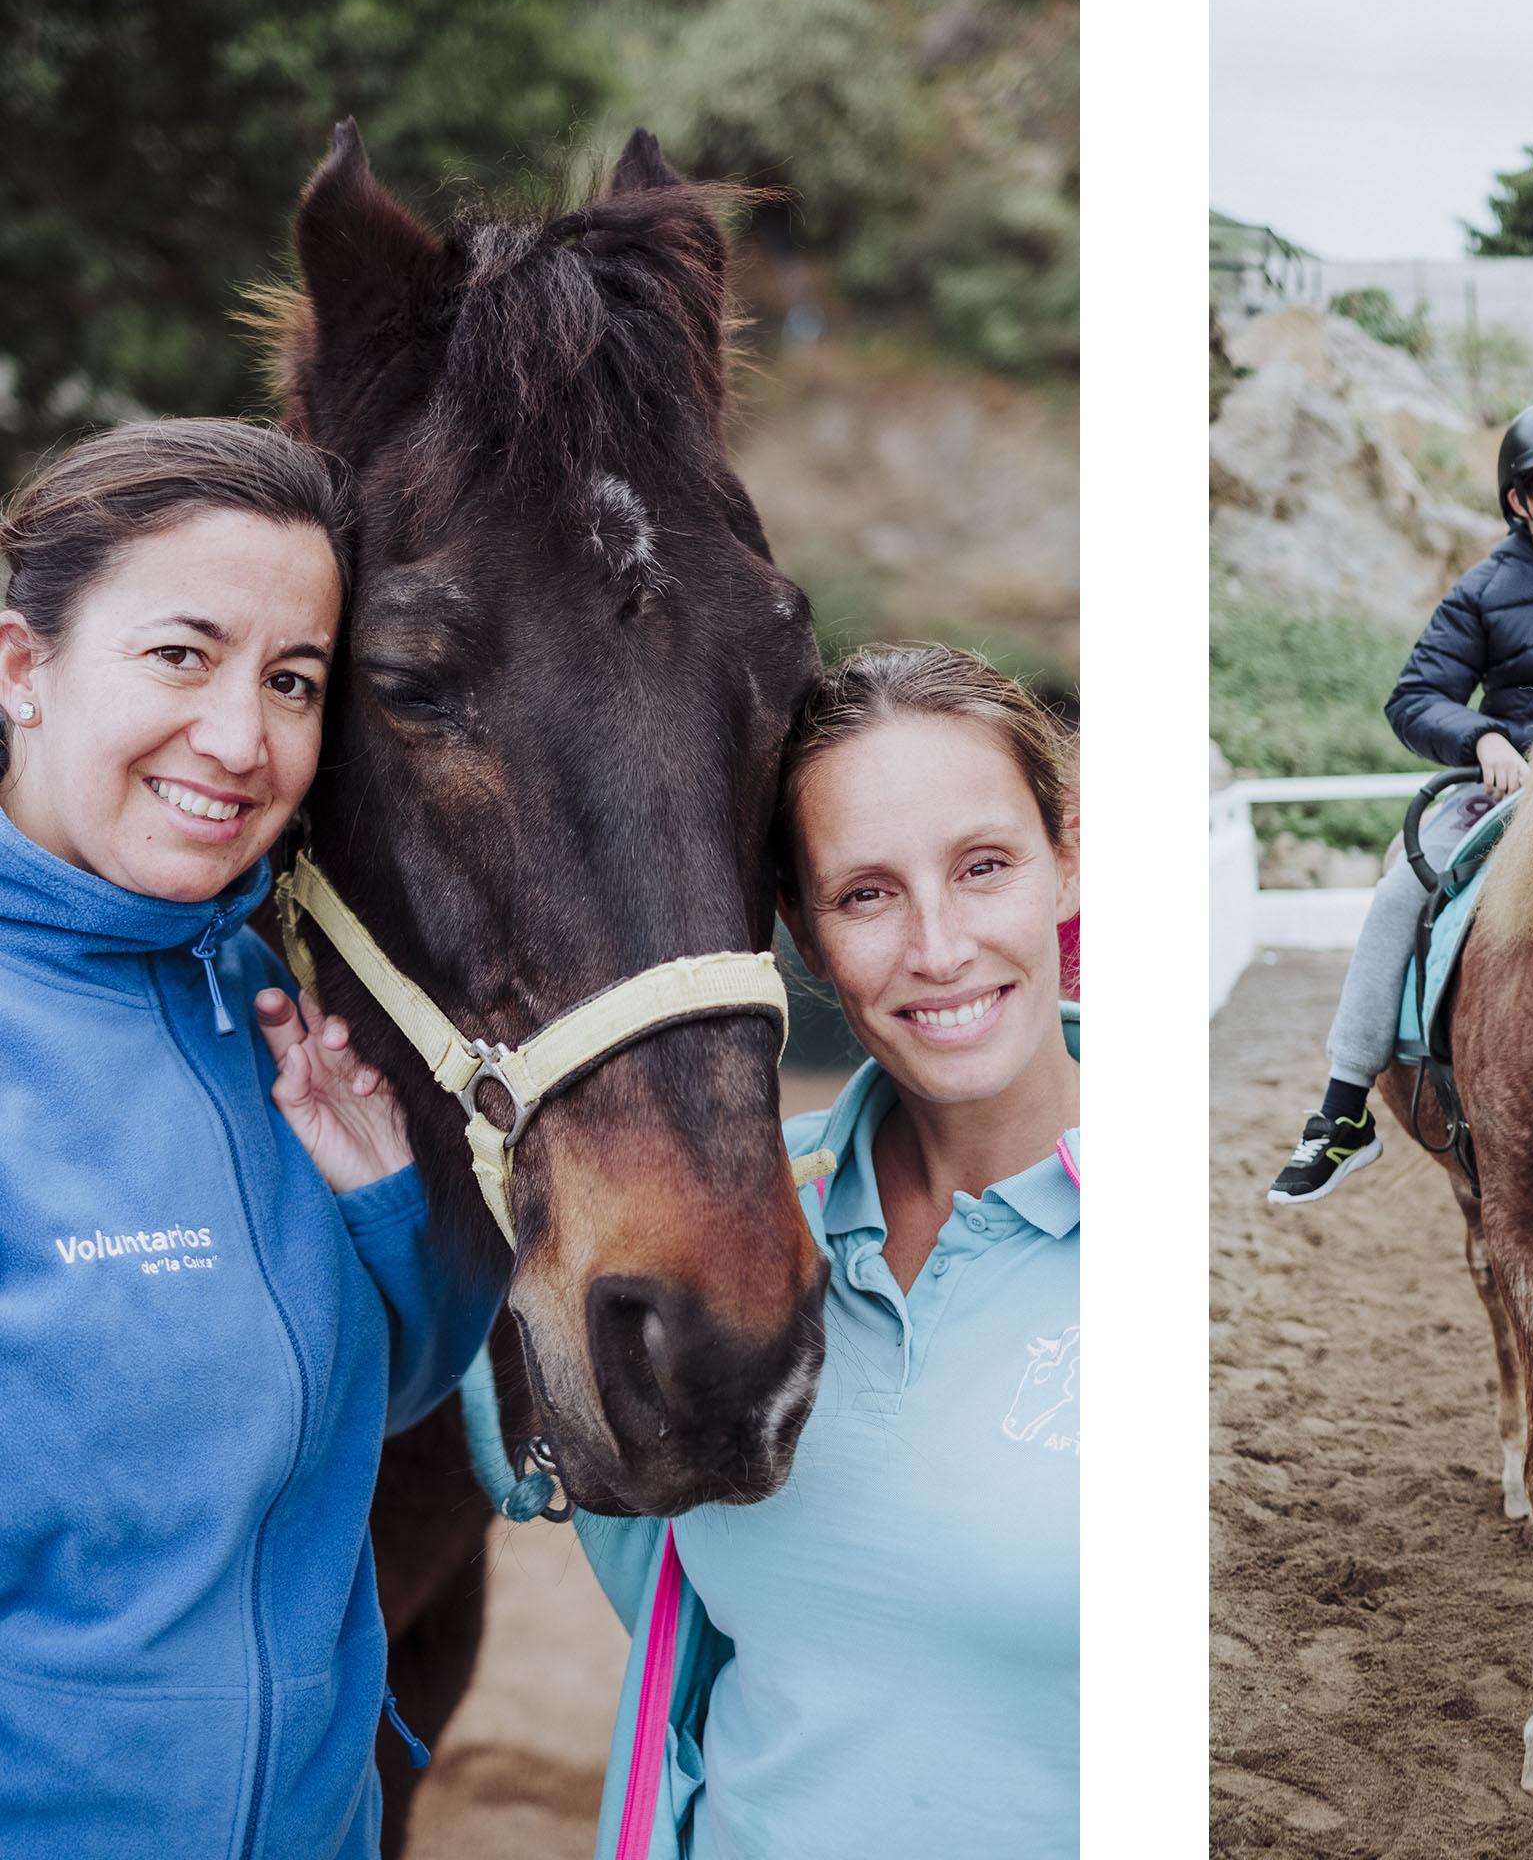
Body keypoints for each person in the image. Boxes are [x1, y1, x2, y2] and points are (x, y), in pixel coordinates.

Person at [0, 419, 499, 1856]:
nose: (242, 739)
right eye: (180, 654)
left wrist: (390, 1207)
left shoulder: (271, 1003)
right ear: (25, 670)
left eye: (294, 682)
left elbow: (380, 1407)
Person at [575, 643, 1080, 1859]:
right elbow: (584, 1473)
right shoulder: (737, 1214)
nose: (940, 945)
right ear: (800, 934)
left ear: (1071, 864)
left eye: (984, 868)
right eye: (865, 894)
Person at [1267, 397, 1533, 1202]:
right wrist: (1481, 739)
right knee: (1403, 888)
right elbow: (1414, 696)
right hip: (1511, 796)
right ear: (1521, 500)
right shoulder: (1481, 590)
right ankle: (1342, 1109)